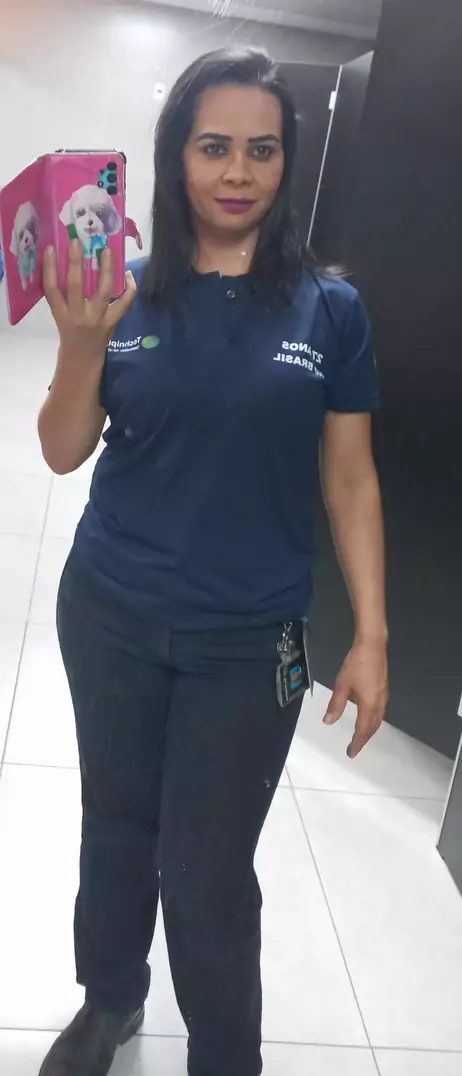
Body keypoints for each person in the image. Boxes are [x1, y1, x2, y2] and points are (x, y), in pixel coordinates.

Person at [37, 47, 388, 1076]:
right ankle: (110, 999)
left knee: (208, 872)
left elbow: (351, 481)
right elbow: (62, 451)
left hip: (247, 640)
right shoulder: (122, 292)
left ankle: (225, 1054)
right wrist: (79, 343)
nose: (238, 172)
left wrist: (372, 634)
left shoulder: (330, 310)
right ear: (175, 155)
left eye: (262, 150)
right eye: (214, 147)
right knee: (114, 825)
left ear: (288, 162)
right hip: (110, 610)